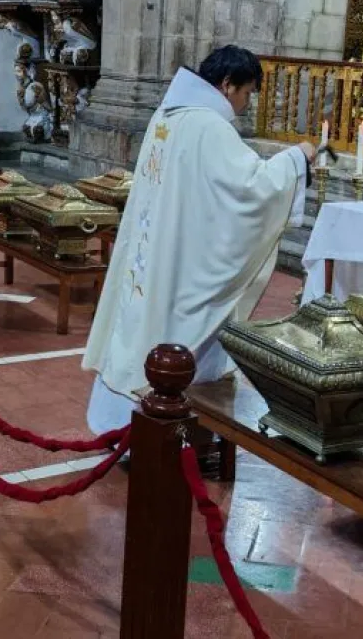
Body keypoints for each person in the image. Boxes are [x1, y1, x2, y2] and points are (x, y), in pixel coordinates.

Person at [83, 46, 315, 435]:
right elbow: (250, 189)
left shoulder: (168, 115)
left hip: (155, 255)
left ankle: (119, 423)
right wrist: (297, 160)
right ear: (227, 85)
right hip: (177, 266)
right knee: (172, 331)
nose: (246, 103)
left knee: (137, 331)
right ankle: (167, 427)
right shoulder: (207, 125)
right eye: (246, 93)